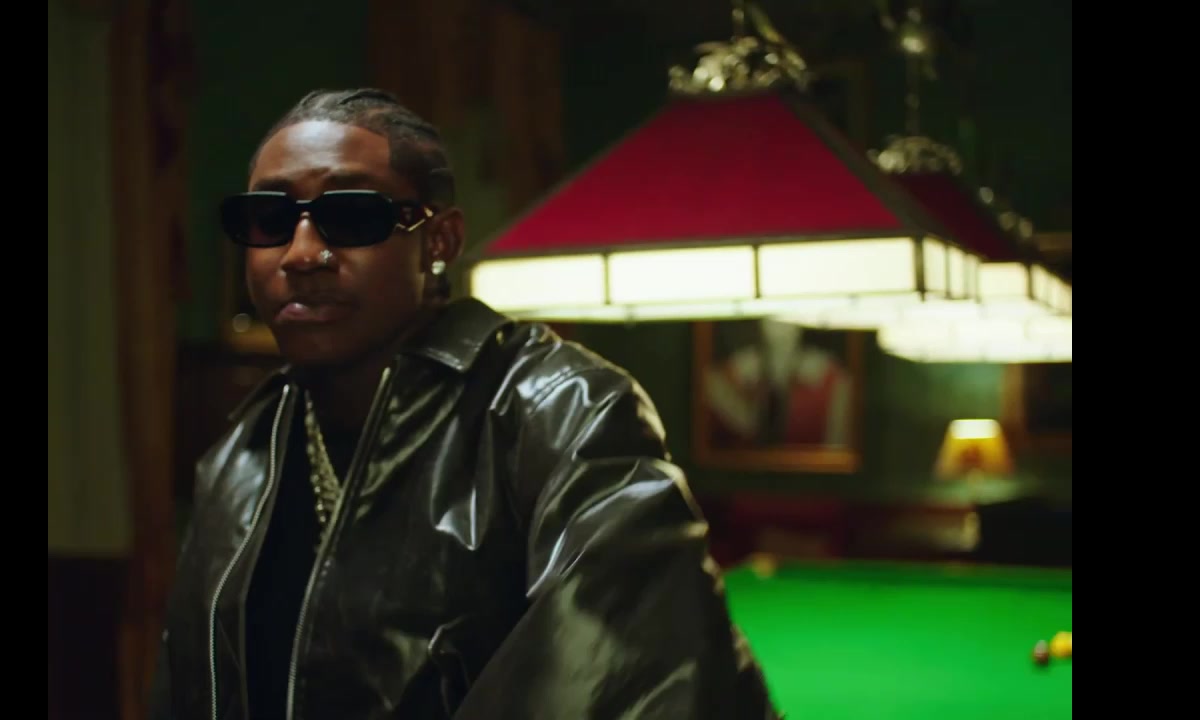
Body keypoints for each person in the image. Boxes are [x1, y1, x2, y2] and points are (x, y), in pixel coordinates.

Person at [150, 88, 782, 720]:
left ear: (440, 241)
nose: (302, 253)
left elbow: (646, 685)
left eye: (353, 216)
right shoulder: (241, 455)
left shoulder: (562, 411)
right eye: (270, 219)